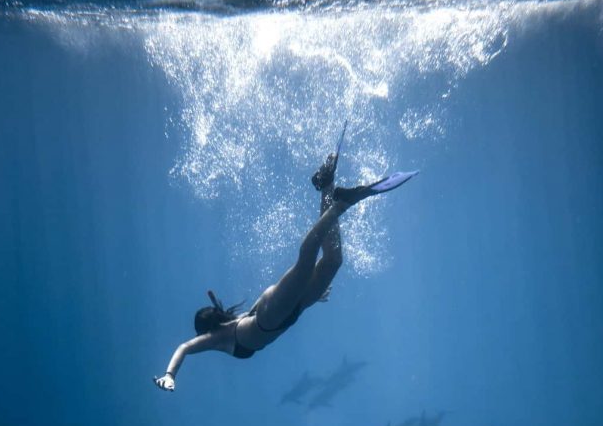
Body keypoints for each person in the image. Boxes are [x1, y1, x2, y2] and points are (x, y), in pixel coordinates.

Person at [153, 127, 418, 392]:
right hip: (288, 311)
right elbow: (252, 310)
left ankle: (341, 205)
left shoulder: (213, 338)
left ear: (204, 330)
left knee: (306, 259)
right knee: (333, 260)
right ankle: (327, 187)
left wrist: (170, 375)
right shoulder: (230, 325)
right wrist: (310, 294)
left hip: (271, 316)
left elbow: (183, 348)